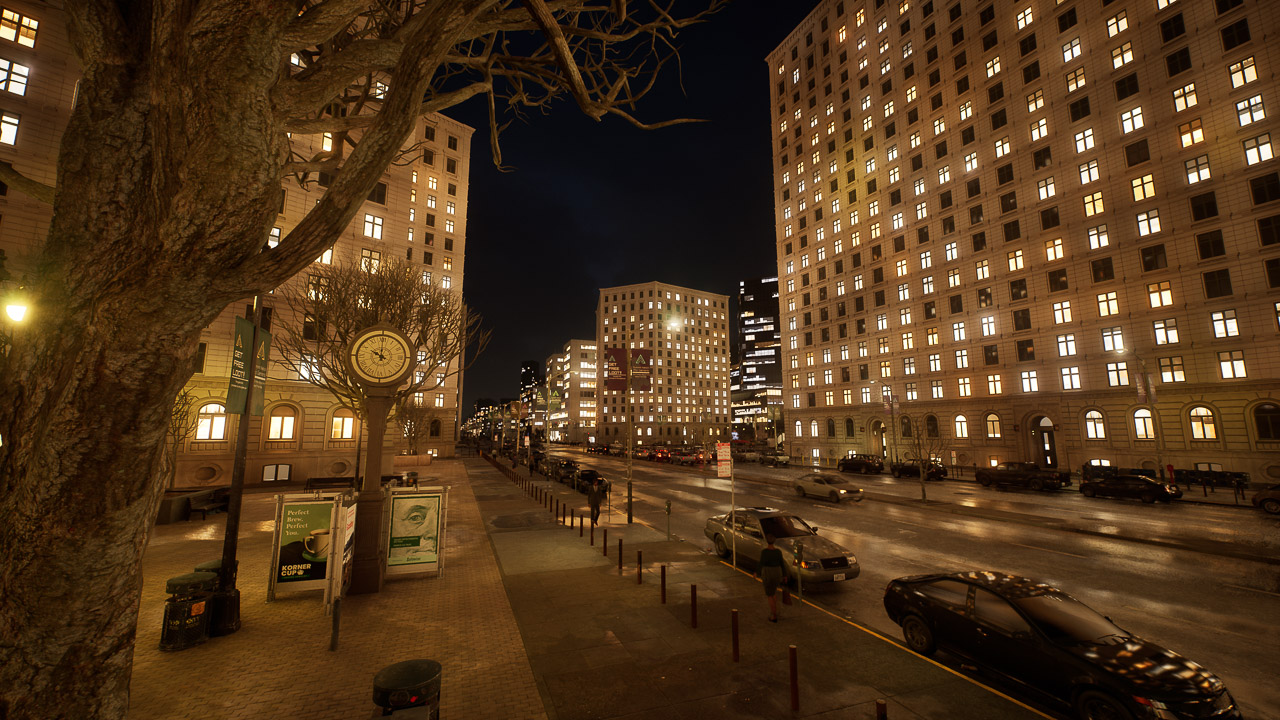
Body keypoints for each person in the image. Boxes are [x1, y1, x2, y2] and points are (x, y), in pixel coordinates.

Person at [759, 534, 786, 622]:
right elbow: (782, 563)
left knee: (769, 594)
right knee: (774, 591)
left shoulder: (765, 552)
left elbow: (761, 563)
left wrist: (756, 572)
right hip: (777, 572)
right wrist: (784, 575)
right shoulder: (778, 552)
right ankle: (776, 611)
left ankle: (773, 615)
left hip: (768, 573)